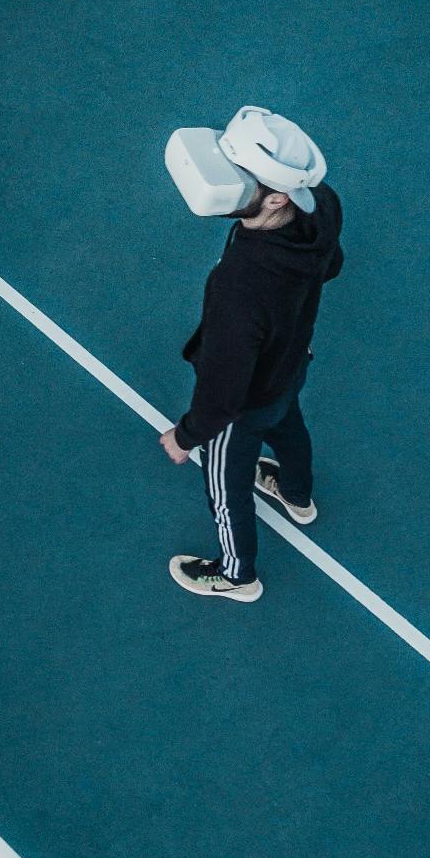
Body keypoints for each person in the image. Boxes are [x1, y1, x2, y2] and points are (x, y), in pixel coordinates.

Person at [159, 113, 344, 601]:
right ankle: (297, 496)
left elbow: (223, 394)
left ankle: (237, 575)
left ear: (277, 197)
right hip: (291, 364)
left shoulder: (240, 287)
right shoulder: (322, 205)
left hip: (244, 405)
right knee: (288, 428)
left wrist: (186, 435)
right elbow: (333, 264)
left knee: (227, 490)